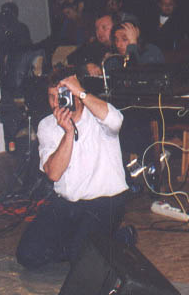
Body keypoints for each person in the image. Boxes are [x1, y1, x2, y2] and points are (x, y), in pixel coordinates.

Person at [16, 70, 129, 268]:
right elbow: (54, 173)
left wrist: (82, 93)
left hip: (105, 202)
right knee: (27, 255)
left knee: (80, 256)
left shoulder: (98, 115)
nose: (56, 103)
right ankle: (99, 243)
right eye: (51, 97)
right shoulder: (46, 125)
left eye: (61, 96)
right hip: (67, 203)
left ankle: (114, 240)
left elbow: (116, 121)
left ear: (75, 94)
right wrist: (68, 133)